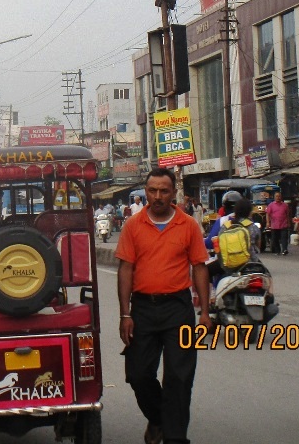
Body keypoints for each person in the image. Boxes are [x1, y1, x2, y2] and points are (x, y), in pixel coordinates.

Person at [116, 167, 211, 444]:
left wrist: (205, 312)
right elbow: (125, 269)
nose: (157, 196)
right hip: (143, 309)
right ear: (146, 192)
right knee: (138, 374)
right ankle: (158, 418)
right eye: (152, 190)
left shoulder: (188, 225)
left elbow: (199, 267)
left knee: (179, 378)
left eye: (164, 191)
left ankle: (175, 438)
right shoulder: (133, 225)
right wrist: (125, 314)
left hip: (178, 309)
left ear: (173, 193)